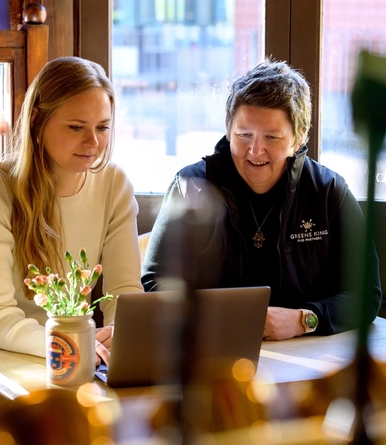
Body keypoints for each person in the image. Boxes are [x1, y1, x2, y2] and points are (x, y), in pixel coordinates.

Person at [0, 56, 143, 418]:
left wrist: (122, 338)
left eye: (103, 127)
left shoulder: (114, 184)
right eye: (76, 127)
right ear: (38, 122)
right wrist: (74, 345)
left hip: (69, 357)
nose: (93, 142)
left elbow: (124, 291)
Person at [142, 58, 382, 341]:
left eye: (271, 137)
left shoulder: (329, 191)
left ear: (299, 137)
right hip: (213, 352)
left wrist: (303, 319)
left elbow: (366, 294)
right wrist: (220, 320)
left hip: (308, 354)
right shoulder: (189, 186)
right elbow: (156, 282)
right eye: (244, 135)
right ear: (229, 131)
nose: (255, 151)